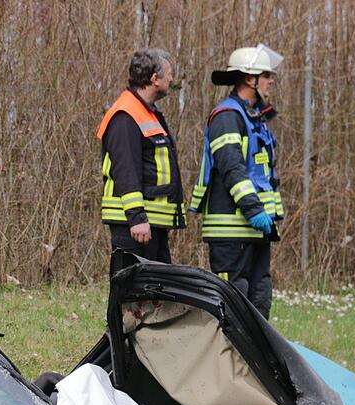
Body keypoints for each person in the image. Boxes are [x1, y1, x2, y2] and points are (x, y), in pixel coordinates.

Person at [188, 45, 284, 318]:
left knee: (260, 299)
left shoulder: (255, 118)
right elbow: (232, 168)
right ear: (249, 79)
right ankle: (228, 359)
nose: (271, 81)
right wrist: (254, 210)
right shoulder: (227, 117)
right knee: (233, 303)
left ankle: (257, 360)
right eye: (266, 75)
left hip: (256, 228)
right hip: (231, 229)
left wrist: (263, 215)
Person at [96, 48, 185, 270]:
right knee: (131, 293)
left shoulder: (146, 112)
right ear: (155, 79)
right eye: (169, 74)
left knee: (155, 294)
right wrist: (136, 218)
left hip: (151, 224)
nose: (172, 79)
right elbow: (126, 170)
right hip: (134, 226)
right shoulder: (126, 115)